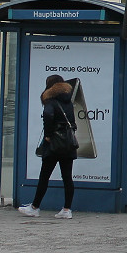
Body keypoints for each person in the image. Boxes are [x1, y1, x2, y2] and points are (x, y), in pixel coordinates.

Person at [18, 74, 78, 219]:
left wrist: (48, 135)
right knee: (67, 177)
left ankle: (35, 207)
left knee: (44, 176)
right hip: (68, 144)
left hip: (54, 144)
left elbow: (48, 116)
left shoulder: (50, 102)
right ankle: (67, 209)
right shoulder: (68, 101)